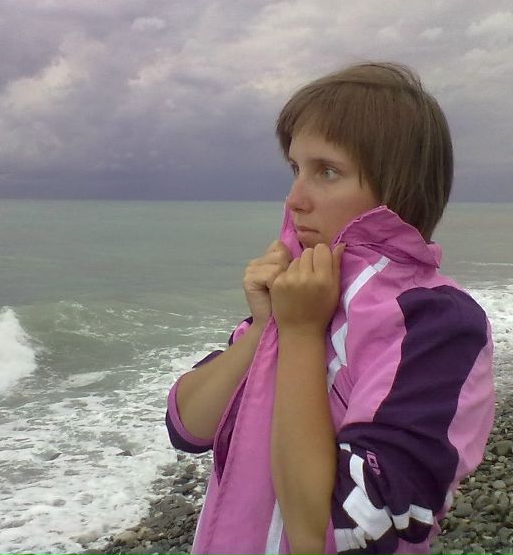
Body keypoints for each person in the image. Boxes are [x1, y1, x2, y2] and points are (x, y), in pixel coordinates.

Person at [165, 62, 495, 555]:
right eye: (295, 169)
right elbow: (187, 427)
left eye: (327, 171)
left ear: (398, 189)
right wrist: (267, 326)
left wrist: (300, 335)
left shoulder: (436, 323)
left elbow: (332, 531)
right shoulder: (307, 294)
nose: (294, 199)